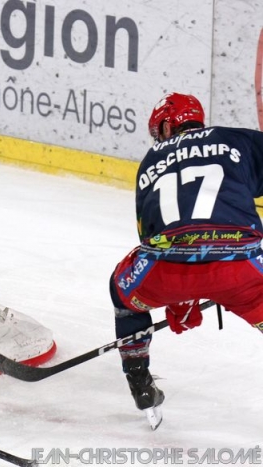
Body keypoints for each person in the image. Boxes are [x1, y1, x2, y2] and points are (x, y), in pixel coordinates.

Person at [109, 92, 263, 429]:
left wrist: (181, 300)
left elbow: (153, 241)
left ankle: (139, 380)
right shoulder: (236, 139)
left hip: (167, 270)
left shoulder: (149, 163)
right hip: (242, 267)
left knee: (122, 291)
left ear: (166, 125)